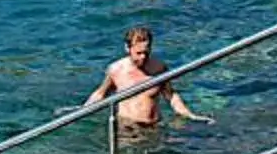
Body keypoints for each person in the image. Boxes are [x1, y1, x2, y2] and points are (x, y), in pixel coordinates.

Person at [78, 25, 210, 128]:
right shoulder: (116, 70)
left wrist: (190, 115)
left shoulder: (159, 68)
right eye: (138, 53)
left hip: (153, 126)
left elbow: (171, 96)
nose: (143, 57)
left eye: (146, 53)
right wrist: (81, 110)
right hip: (128, 127)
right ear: (127, 48)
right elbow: (101, 94)